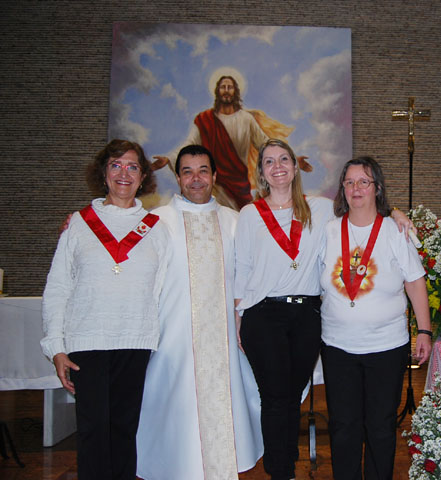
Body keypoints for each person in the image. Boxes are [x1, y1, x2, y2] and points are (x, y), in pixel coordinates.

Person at [234, 139, 413, 480]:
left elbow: (362, 208)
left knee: (293, 397)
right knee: (274, 397)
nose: (277, 166)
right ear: (261, 172)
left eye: (283, 159)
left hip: (306, 315)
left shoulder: (319, 208)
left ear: (295, 166)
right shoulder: (249, 214)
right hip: (263, 315)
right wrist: (238, 317)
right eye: (269, 161)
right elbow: (241, 268)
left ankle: (288, 463)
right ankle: (280, 471)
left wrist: (395, 213)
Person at [41, 139, 169, 480]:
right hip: (88, 342)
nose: (124, 173)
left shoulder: (157, 228)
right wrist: (56, 347)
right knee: (93, 433)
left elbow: (162, 290)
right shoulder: (79, 223)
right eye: (116, 165)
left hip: (135, 341)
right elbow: (58, 287)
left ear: (143, 177)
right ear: (103, 173)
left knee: (125, 432)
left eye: (132, 166)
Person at [136, 145, 263, 480]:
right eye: (188, 172)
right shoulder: (155, 222)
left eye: (203, 171)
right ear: (178, 178)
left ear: (215, 176)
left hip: (224, 341)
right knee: (177, 429)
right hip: (174, 341)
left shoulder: (235, 222)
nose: (196, 179)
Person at [320, 156, 432, 480]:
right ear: (342, 188)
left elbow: (415, 282)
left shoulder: (394, 230)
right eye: (350, 182)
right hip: (338, 346)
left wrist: (424, 331)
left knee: (381, 426)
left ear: (377, 188)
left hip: (386, 346)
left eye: (364, 182)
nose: (356, 188)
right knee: (343, 426)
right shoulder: (328, 231)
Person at [153, 75, 309, 210]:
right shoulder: (205, 120)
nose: (226, 90)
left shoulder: (246, 119)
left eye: (230, 87)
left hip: (239, 183)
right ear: (217, 91)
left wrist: (291, 159)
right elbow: (189, 144)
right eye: (223, 87)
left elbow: (265, 144)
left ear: (236, 91)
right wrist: (168, 158)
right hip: (217, 185)